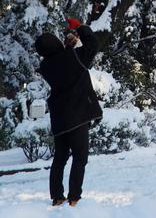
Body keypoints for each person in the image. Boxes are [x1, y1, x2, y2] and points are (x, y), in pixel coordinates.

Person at [35, 18, 102, 207]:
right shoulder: (72, 58)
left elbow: (62, 61)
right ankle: (74, 198)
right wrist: (80, 27)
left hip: (60, 119)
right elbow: (93, 44)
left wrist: (68, 48)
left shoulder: (46, 66)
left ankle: (57, 197)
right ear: (56, 44)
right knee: (80, 158)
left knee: (60, 158)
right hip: (77, 117)